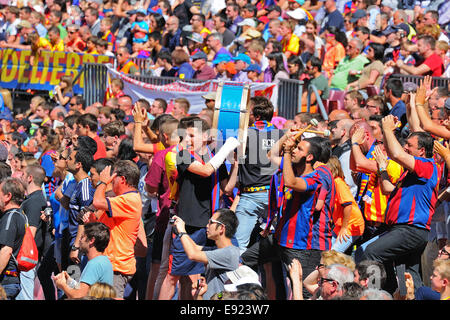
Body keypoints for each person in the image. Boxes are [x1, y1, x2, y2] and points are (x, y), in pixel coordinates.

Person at [158, 117, 239, 300]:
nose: (187, 139)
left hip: (210, 226)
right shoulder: (182, 155)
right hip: (188, 225)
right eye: (185, 135)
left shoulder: (213, 157)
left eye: (192, 135)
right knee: (173, 276)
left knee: (195, 280)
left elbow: (227, 188)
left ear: (206, 136)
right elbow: (205, 171)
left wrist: (236, 165)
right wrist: (226, 147)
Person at [362, 118, 439, 294]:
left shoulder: (427, 166)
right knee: (409, 277)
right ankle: (400, 296)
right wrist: (382, 168)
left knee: (371, 253)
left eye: (409, 145)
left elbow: (397, 154)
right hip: (405, 230)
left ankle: (374, 296)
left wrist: (387, 129)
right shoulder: (410, 173)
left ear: (421, 151)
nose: (405, 147)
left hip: (410, 230)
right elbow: (388, 188)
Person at [82, 160, 143, 299]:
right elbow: (104, 226)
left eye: (112, 178)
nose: (110, 181)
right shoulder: (120, 199)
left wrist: (102, 183)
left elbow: (97, 202)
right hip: (108, 263)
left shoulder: (131, 199)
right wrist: (92, 221)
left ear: (122, 179)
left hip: (117, 266)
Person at [172, 208, 240, 300]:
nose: (207, 226)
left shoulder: (229, 253)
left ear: (221, 228)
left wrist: (182, 231)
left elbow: (193, 254)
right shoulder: (219, 251)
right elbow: (195, 248)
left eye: (211, 222)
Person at [16, 165, 51, 300]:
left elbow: (30, 231)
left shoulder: (35, 201)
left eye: (23, 174)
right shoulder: (32, 199)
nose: (21, 177)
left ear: (30, 178)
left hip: (26, 260)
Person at [54, 222, 113, 299]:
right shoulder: (103, 260)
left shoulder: (94, 264)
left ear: (92, 240)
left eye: (82, 237)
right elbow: (85, 290)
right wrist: (69, 281)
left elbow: (78, 295)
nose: (79, 241)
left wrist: (62, 285)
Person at [327, 156, 364, 253]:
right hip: (339, 225)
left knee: (332, 254)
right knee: (326, 251)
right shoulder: (333, 183)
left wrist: (344, 228)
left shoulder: (338, 183)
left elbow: (348, 205)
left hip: (351, 225)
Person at [0, 178, 26, 299]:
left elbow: (6, 251)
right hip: (12, 280)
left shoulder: (10, 217)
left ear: (7, 196)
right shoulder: (20, 214)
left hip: (6, 281)